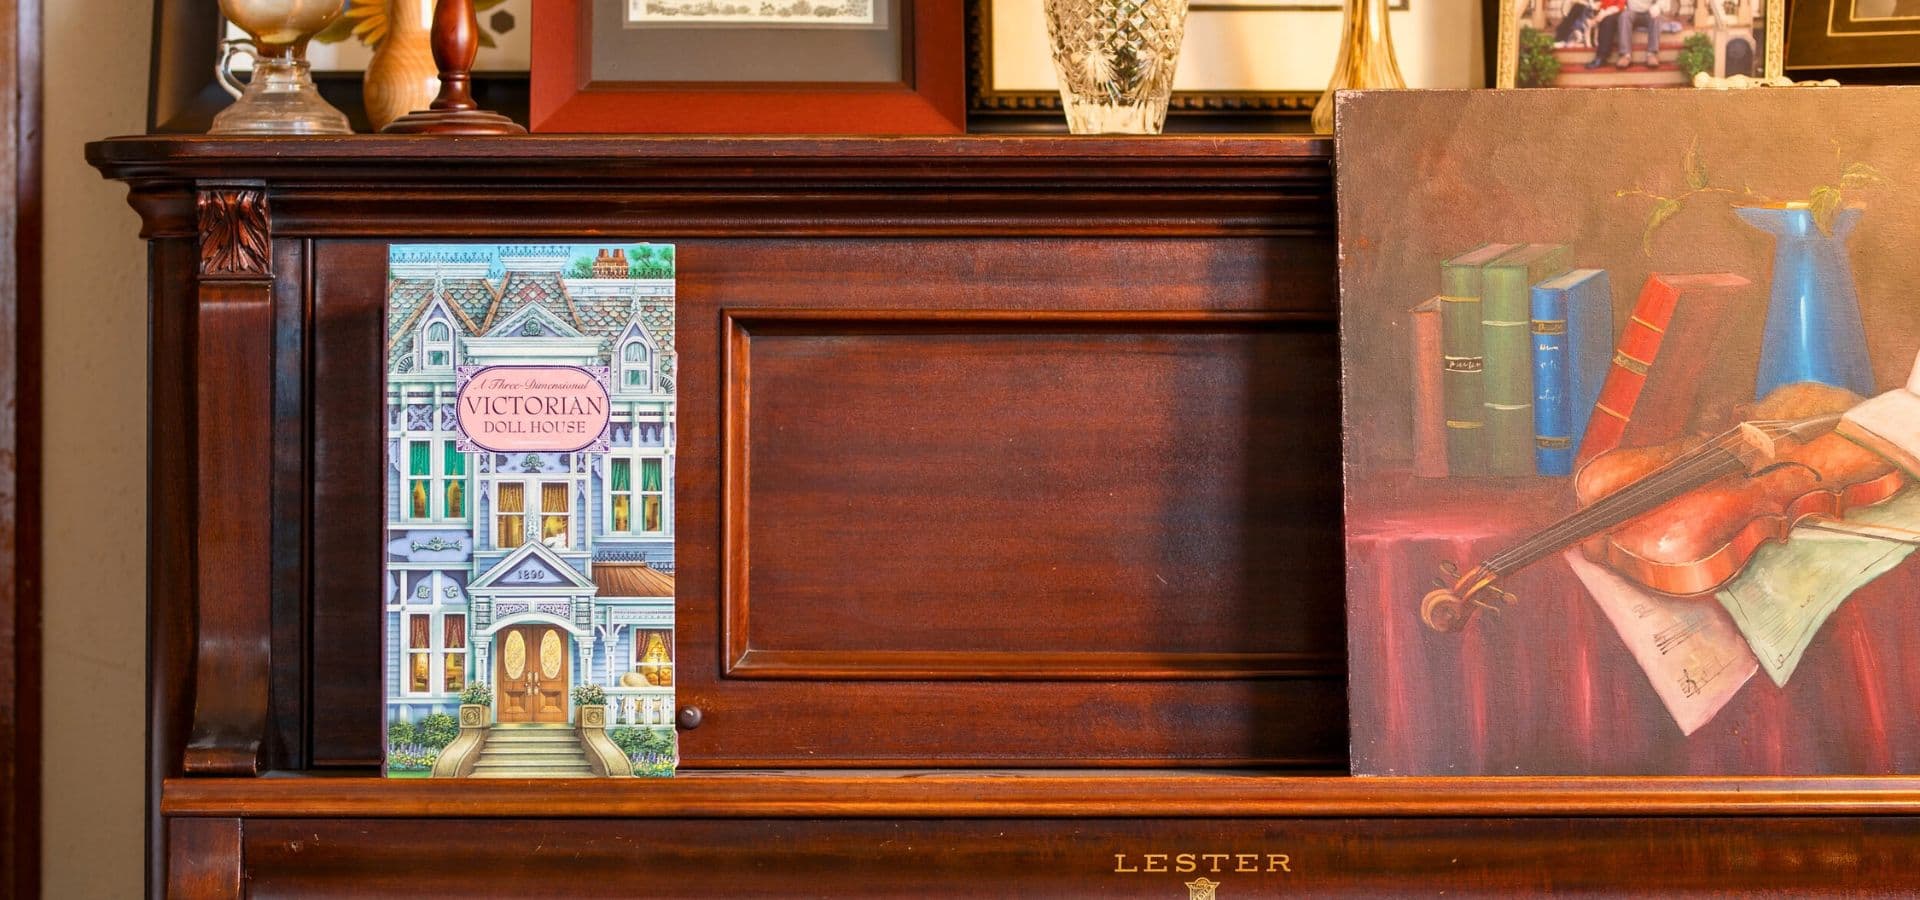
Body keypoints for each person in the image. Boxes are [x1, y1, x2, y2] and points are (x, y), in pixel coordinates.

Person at [1615, 0, 1666, 69]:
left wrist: (1657, 6)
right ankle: (1625, 54)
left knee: (1657, 18)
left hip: (1649, 11)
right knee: (1624, 16)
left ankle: (1652, 54)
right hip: (1631, 11)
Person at [1581, 0, 1626, 69]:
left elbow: (1620, 6)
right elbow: (1601, 4)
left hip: (1620, 11)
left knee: (1607, 20)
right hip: (1603, 11)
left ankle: (1601, 57)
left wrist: (1604, 14)